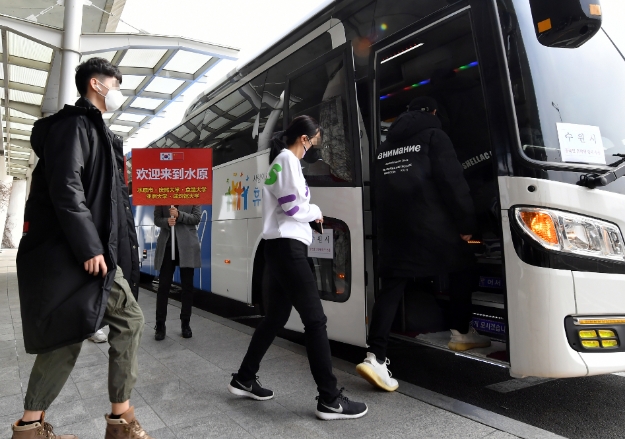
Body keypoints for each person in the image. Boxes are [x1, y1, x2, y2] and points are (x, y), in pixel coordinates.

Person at [12, 57, 152, 439]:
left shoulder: (96, 132)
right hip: (78, 253)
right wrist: (91, 248)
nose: (119, 89)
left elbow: (108, 202)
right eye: (116, 82)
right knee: (129, 320)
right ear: (96, 83)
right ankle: (121, 420)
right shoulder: (75, 126)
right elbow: (67, 190)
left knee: (68, 334)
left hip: (83, 252)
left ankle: (29, 427)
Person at [227, 116, 368, 421]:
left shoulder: (280, 162)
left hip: (280, 247)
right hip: (289, 248)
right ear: (304, 139)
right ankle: (330, 399)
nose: (313, 148)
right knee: (315, 321)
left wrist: (309, 215)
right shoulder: (288, 161)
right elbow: (293, 208)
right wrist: (316, 211)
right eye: (314, 142)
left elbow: (287, 206)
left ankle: (244, 378)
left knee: (275, 316)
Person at [356, 96, 490, 392]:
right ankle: (461, 331)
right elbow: (453, 183)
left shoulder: (384, 147)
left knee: (390, 289)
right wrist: (467, 225)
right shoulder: (434, 136)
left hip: (394, 231)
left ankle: (374, 357)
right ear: (433, 112)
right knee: (463, 265)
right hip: (432, 229)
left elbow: (380, 193)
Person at [153, 204, 201, 340]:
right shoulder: (162, 194)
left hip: (187, 246)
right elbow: (157, 219)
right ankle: (160, 324)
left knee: (187, 287)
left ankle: (185, 323)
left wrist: (180, 215)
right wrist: (166, 221)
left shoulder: (193, 192)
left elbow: (197, 218)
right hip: (167, 245)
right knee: (163, 286)